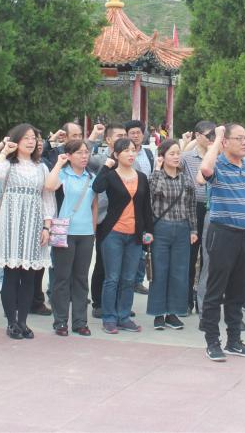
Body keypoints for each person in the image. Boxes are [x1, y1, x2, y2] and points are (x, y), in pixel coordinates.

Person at [197, 124, 245, 361]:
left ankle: (234, 341)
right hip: (222, 232)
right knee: (215, 290)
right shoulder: (219, 165)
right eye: (239, 138)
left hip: (244, 234)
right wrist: (218, 138)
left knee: (238, 291)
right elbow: (205, 169)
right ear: (225, 142)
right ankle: (212, 341)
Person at [0, 124, 56, 340]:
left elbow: (47, 198)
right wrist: (4, 152)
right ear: (16, 140)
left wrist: (47, 226)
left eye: (34, 138)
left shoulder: (41, 167)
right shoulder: (8, 164)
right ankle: (11, 322)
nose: (31, 142)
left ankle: (23, 322)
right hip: (11, 222)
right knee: (12, 273)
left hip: (34, 223)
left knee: (29, 276)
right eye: (26, 138)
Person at [94, 137, 153, 334]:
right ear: (117, 154)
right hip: (113, 233)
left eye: (133, 150)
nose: (131, 153)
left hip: (134, 235)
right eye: (126, 150)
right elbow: (97, 187)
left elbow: (146, 207)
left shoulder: (142, 177)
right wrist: (106, 166)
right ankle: (109, 318)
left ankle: (124, 316)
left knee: (129, 279)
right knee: (112, 278)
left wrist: (149, 231)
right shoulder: (111, 176)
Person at [45, 139, 98, 336]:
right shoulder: (63, 174)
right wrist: (59, 164)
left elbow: (94, 205)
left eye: (86, 152)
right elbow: (49, 186)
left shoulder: (91, 176)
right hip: (64, 232)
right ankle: (60, 321)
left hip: (86, 233)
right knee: (62, 278)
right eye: (79, 153)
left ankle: (80, 321)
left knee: (81, 278)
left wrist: (93, 230)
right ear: (69, 155)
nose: (84, 156)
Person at [147, 139, 198, 330]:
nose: (176, 157)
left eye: (178, 153)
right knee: (159, 272)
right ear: (162, 156)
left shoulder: (186, 179)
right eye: (172, 154)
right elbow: (154, 192)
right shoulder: (155, 177)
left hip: (182, 228)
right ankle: (158, 313)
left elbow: (191, 206)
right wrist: (158, 169)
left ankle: (173, 313)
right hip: (161, 229)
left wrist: (193, 229)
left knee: (179, 272)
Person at [88, 122, 126, 319]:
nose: (124, 138)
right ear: (109, 140)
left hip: (127, 219)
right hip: (105, 218)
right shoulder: (100, 160)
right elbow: (83, 155)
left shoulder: (132, 161)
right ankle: (98, 302)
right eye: (119, 136)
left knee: (123, 265)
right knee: (103, 263)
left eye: (125, 135)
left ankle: (118, 303)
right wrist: (93, 135)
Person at [181, 120, 215, 312]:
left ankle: (204, 301)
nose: (212, 139)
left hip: (213, 208)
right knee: (190, 256)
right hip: (192, 208)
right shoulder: (186, 157)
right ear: (198, 136)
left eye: (214, 135)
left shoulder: (217, 156)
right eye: (209, 135)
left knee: (208, 257)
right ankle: (186, 300)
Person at [125, 119, 156, 295]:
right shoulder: (123, 153)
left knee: (144, 242)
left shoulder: (149, 153)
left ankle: (138, 280)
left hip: (145, 202)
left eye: (139, 132)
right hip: (128, 201)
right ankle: (129, 279)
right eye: (132, 133)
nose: (136, 136)